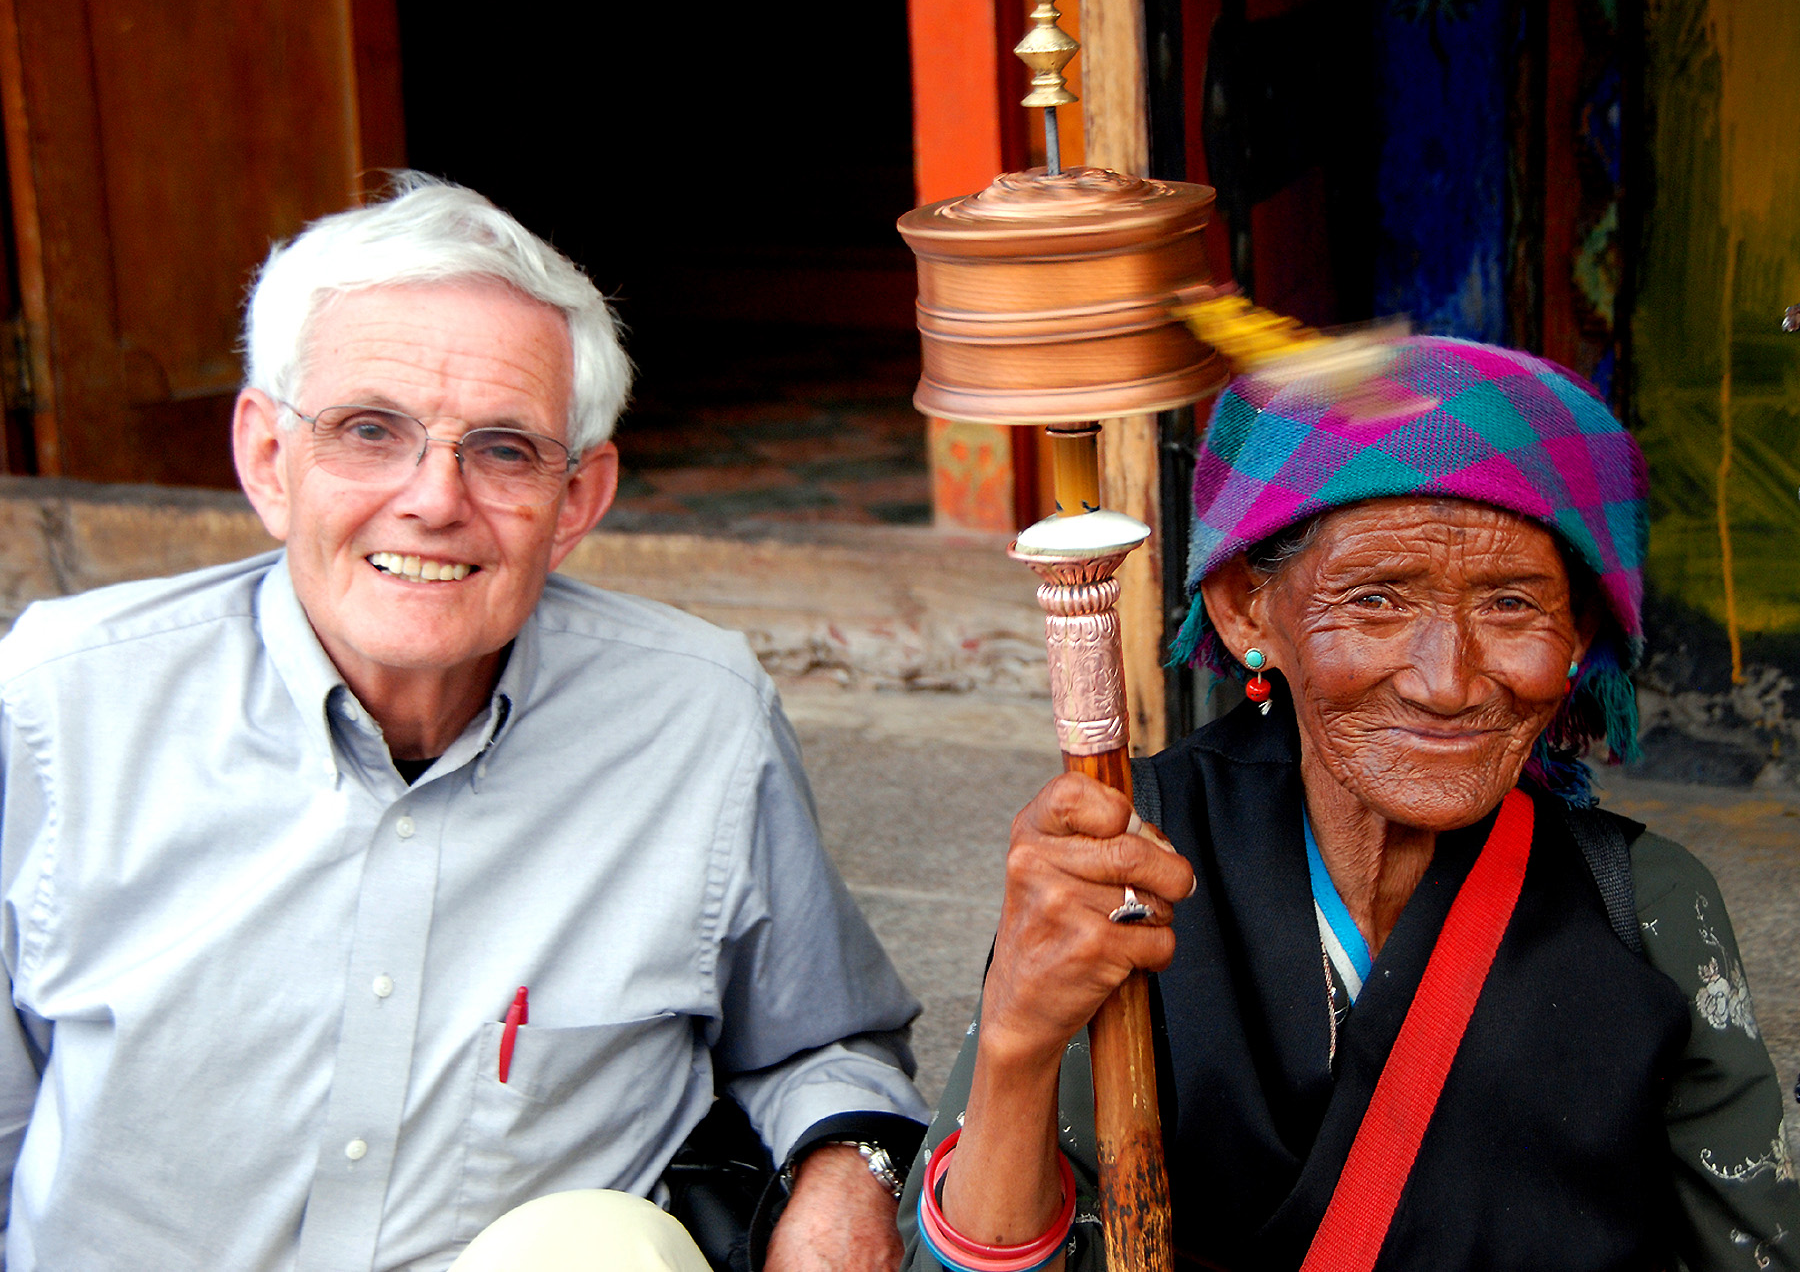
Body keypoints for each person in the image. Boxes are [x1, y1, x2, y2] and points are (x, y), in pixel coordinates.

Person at [0, 174, 929, 1271]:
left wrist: (845, 1182)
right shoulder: (58, 703)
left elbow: (824, 1037)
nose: (435, 499)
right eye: (368, 430)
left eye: (501, 450)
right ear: (266, 458)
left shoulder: (697, 719)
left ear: (577, 499)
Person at [902, 337, 1800, 1270]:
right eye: (1376, 600)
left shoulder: (1645, 910)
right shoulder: (1128, 863)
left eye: (1511, 604)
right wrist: (1016, 1037)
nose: (1448, 681)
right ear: (1246, 609)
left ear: (1579, 632)